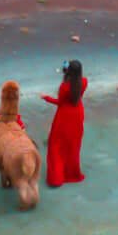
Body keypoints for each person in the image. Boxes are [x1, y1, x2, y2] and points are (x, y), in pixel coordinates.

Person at [43, 58, 87, 186]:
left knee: (56, 145)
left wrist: (46, 97)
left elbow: (60, 102)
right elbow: (76, 93)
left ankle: (56, 178)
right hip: (78, 114)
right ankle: (71, 173)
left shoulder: (64, 87)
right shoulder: (84, 82)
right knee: (73, 145)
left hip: (64, 116)